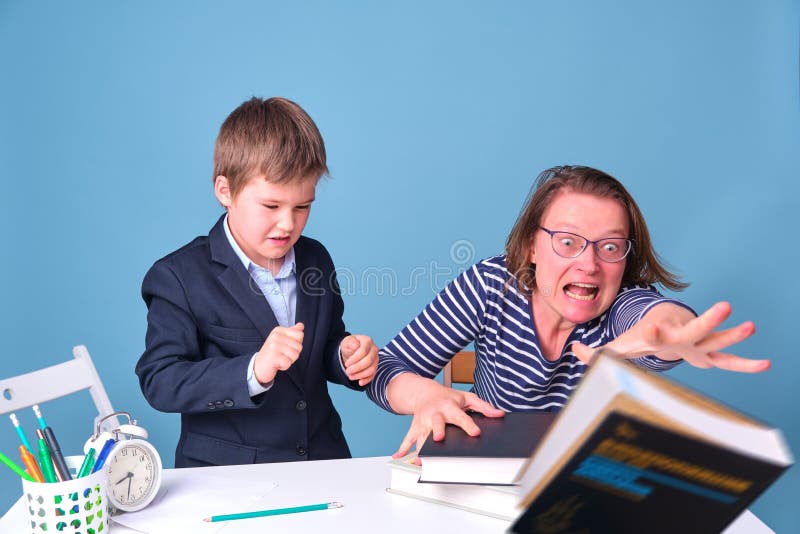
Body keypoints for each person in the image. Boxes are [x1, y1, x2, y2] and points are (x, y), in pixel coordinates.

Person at [366, 165, 770, 458]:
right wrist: (426, 394)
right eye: (567, 242)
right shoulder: (493, 284)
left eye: (609, 247)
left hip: (585, 483)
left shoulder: (620, 304)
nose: (589, 264)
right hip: (485, 475)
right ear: (531, 247)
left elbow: (658, 322)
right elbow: (385, 367)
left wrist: (677, 335)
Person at [136, 96, 379, 468]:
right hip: (227, 477)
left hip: (324, 460)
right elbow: (161, 379)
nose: (288, 224)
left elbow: (325, 343)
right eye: (271, 206)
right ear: (225, 191)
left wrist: (345, 357)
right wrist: (253, 370)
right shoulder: (177, 277)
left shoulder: (315, 258)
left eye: (303, 207)